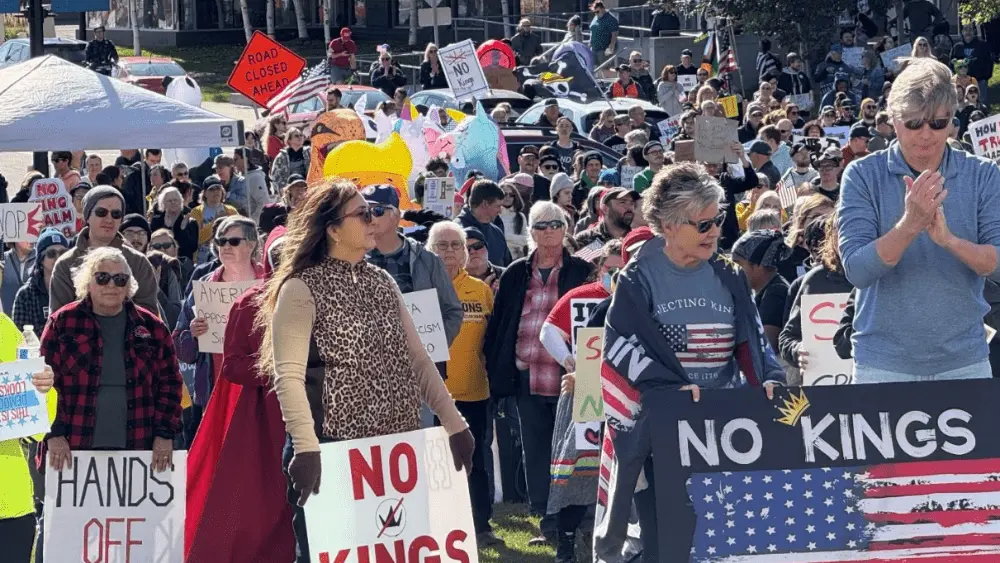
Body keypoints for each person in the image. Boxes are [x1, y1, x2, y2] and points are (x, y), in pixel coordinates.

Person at [255, 179, 475, 560]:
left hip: (395, 450)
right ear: (333, 230)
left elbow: (418, 361)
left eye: (373, 211)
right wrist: (307, 449)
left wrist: (455, 424)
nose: (373, 219)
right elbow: (288, 377)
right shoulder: (300, 289)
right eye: (363, 213)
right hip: (334, 449)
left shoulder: (383, 281)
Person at [595, 162, 785, 561]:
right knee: (665, 544)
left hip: (719, 431)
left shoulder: (730, 274)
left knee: (720, 540)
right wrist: (668, 389)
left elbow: (750, 340)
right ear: (668, 225)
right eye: (702, 225)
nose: (715, 231)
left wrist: (768, 378)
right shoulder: (636, 278)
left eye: (716, 220)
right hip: (657, 431)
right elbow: (618, 348)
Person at [839, 56, 1000, 383]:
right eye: (914, 123)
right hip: (881, 364)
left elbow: (997, 265)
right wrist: (910, 225)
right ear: (893, 120)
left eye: (938, 123)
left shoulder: (983, 175)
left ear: (953, 121)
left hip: (965, 361)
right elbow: (857, 270)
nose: (926, 134)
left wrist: (949, 241)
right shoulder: (862, 174)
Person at [485, 200, 593, 546]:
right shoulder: (516, 271)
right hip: (528, 377)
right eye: (540, 225)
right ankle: (547, 522)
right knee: (536, 450)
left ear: (566, 228)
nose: (548, 231)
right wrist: (500, 367)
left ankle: (578, 520)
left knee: (576, 449)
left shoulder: (581, 269)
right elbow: (502, 322)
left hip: (576, 376)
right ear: (530, 232)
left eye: (555, 224)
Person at [184, 233, 293, 563]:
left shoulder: (320, 298)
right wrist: (278, 369)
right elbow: (232, 365)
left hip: (318, 413)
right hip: (266, 418)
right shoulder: (250, 302)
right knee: (266, 500)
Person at [42, 246, 182, 470]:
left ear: (129, 286)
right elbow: (44, 384)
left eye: (120, 279)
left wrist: (164, 434)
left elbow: (170, 382)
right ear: (88, 282)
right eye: (103, 277)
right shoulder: (62, 322)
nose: (111, 285)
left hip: (139, 445)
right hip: (73, 445)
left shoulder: (152, 327)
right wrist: (53, 433)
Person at [539, 239, 623, 562]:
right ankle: (565, 542)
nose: (614, 275)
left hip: (623, 398)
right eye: (610, 269)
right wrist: (569, 362)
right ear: (600, 269)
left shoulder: (640, 299)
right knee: (575, 471)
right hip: (584, 392)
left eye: (621, 268)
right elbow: (549, 331)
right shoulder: (584, 298)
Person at [425, 221, 501, 546]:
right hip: (432, 395)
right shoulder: (419, 288)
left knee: (476, 460)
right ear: (430, 250)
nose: (451, 251)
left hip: (474, 391)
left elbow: (492, 342)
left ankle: (481, 525)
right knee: (436, 465)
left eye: (457, 245)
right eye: (442, 245)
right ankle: (441, 527)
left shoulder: (481, 290)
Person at [364, 183, 463, 350]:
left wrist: (435, 347)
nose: (371, 218)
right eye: (365, 213)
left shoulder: (427, 260)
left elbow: (452, 311)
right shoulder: (353, 261)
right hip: (373, 368)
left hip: (421, 367)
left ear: (396, 216)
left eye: (378, 211)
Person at [49, 186, 158, 314]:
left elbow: (149, 315)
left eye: (116, 214)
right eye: (101, 212)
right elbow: (58, 319)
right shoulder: (65, 264)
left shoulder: (138, 262)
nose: (109, 219)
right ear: (87, 216)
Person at [779, 213, 854, 378]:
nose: (846, 238)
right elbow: (787, 338)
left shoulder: (886, 278)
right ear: (830, 238)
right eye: (838, 231)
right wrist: (798, 350)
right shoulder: (816, 280)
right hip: (827, 388)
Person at [732, 229, 793, 352]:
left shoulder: (775, 293)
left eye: (738, 264)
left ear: (758, 265)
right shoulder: (762, 290)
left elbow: (766, 346)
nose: (733, 270)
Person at [11, 229, 68, 333]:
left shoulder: (76, 288)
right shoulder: (26, 295)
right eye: (51, 253)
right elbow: (20, 340)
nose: (58, 258)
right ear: (41, 260)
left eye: (63, 253)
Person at [457, 180, 513, 267]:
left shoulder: (497, 232)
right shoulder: (455, 232)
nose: (500, 211)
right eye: (498, 206)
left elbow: (507, 267)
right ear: (485, 204)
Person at [190, 177, 239, 264]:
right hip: (202, 257)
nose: (215, 192)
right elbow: (197, 239)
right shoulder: (196, 212)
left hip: (227, 253)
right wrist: (215, 222)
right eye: (211, 189)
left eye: (218, 189)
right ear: (204, 193)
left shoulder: (231, 211)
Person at [149, 186, 199, 261]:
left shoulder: (191, 222)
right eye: (169, 200)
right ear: (163, 203)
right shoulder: (156, 221)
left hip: (183, 264)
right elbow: (152, 242)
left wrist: (182, 229)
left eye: (175, 200)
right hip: (159, 261)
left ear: (181, 201)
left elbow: (192, 247)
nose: (173, 202)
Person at [952, 25, 992, 104]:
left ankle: (982, 115)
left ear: (974, 32)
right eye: (965, 30)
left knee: (981, 103)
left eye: (970, 29)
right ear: (962, 32)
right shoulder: (957, 47)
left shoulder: (982, 45)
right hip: (962, 80)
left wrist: (986, 76)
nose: (968, 32)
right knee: (963, 103)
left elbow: (989, 61)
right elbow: (952, 62)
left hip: (979, 79)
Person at [1, 240, 35, 317]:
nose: (31, 239)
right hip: (8, 324)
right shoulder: (2, 261)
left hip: (35, 325)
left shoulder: (42, 259)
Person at [465, 226, 505, 291]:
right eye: (466, 249)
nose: (472, 251)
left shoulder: (507, 275)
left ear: (487, 248)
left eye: (477, 246)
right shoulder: (453, 282)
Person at [270, 127, 310, 191]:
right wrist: (282, 189)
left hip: (308, 188)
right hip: (290, 191)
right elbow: (275, 176)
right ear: (289, 140)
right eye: (296, 136)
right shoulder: (282, 157)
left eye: (301, 135)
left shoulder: (310, 152)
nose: (300, 137)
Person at [499, 178, 530, 259]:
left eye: (511, 195)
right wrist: (516, 242)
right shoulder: (493, 215)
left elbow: (526, 240)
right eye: (504, 194)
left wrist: (504, 237)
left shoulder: (520, 217)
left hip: (515, 259)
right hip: (498, 258)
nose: (508, 197)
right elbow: (494, 240)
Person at [589, 1, 619, 68]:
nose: (596, 14)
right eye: (594, 12)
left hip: (603, 50)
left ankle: (619, 73)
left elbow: (614, 34)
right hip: (594, 48)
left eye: (597, 11)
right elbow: (592, 30)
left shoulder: (611, 19)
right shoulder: (596, 17)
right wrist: (590, 43)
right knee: (592, 68)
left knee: (605, 69)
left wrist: (610, 48)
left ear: (603, 9)